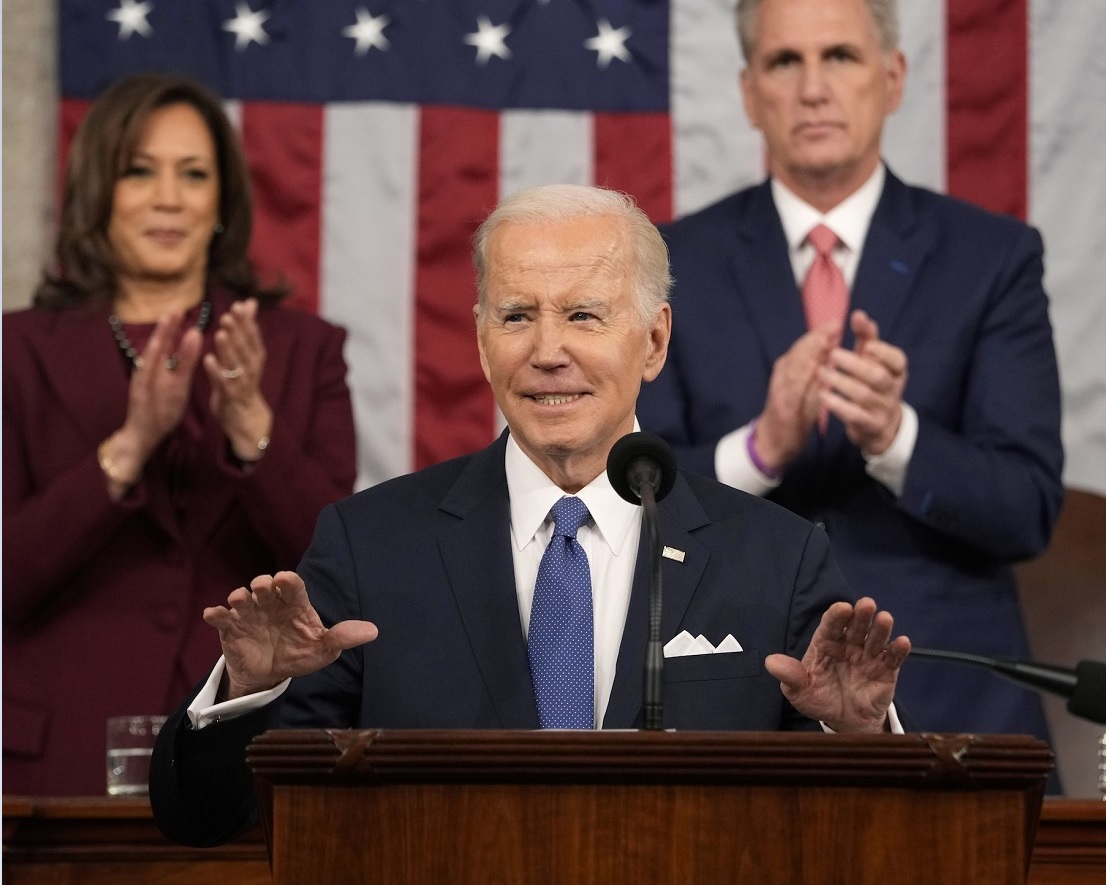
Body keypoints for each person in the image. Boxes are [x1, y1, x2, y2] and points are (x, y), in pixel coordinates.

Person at [148, 183, 910, 848]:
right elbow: (207, 817)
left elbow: (866, 841)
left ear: (653, 340)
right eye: (516, 316)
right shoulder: (370, 547)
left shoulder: (776, 560)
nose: (548, 350)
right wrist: (251, 687)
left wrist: (857, 736)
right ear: (482, 343)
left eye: (583, 314)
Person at [635, 0, 1063, 753]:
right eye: (783, 61)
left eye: (840, 56)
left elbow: (1026, 507)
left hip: (947, 704)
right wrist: (761, 450)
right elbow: (626, 506)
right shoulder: (670, 265)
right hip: (732, 694)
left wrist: (898, 437)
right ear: (748, 92)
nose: (812, 88)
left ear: (892, 78)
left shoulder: (991, 258)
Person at [2, 73, 357, 795]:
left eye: (193, 174)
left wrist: (252, 428)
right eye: (140, 171)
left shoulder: (300, 349)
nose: (168, 197)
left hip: (246, 747)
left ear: (222, 200)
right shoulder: (18, 351)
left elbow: (332, 573)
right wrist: (127, 447)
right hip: (59, 756)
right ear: (99, 190)